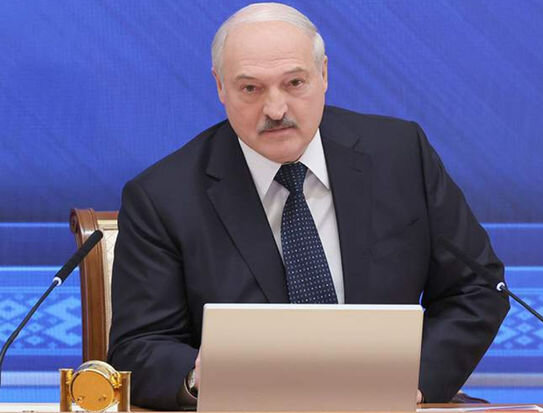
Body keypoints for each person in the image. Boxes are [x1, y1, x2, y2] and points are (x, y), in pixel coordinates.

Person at [108, 2, 509, 410]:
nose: (276, 110)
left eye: (294, 83)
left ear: (324, 75)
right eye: (250, 89)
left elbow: (477, 288)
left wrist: (415, 381)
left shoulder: (400, 156)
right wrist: (197, 378)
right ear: (220, 88)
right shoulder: (163, 197)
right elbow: (137, 347)